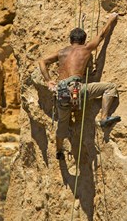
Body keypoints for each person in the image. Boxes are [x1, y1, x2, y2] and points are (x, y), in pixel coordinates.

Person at [39, 13, 120, 159]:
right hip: (77, 89)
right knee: (110, 88)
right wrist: (111, 19)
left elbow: (42, 61)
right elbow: (102, 35)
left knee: (62, 123)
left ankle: (58, 151)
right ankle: (104, 117)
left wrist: (48, 80)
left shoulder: (61, 52)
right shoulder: (86, 49)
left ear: (71, 40)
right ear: (83, 41)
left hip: (62, 91)